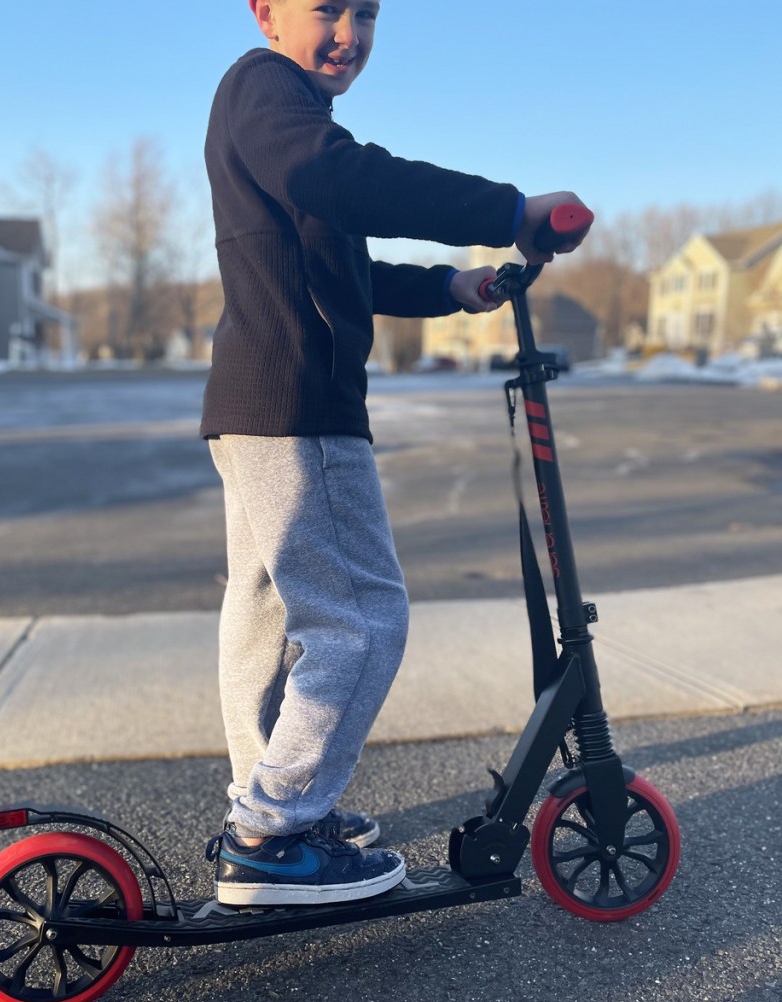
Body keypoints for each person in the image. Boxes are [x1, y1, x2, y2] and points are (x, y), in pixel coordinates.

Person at [202, 0, 589, 907]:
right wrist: (505, 210)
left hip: (258, 404)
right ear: (265, 13)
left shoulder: (285, 126)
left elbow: (346, 268)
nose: (349, 33)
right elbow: (346, 181)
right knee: (365, 619)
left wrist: (452, 286)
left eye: (366, 13)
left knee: (265, 612)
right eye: (325, 9)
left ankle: (272, 806)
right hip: (302, 409)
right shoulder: (268, 94)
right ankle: (276, 833)